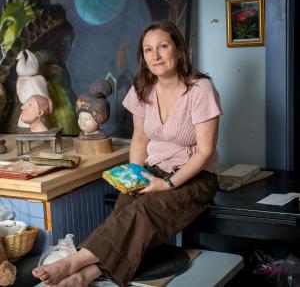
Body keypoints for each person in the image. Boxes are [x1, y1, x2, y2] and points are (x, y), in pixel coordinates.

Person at [32, 20, 222, 287]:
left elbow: (205, 151)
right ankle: (87, 275)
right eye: (147, 50)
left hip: (195, 176)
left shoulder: (200, 89)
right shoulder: (143, 88)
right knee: (124, 209)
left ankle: (73, 262)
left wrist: (166, 184)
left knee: (142, 212)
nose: (155, 56)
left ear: (178, 49)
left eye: (163, 46)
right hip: (153, 170)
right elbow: (140, 138)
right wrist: (135, 174)